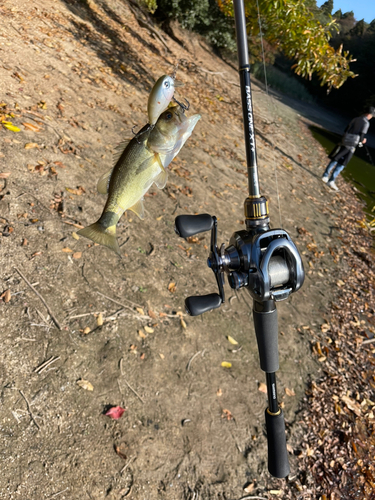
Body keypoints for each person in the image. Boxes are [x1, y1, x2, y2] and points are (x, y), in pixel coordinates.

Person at [322, 107, 375, 191]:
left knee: (336, 158)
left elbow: (346, 129)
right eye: (372, 115)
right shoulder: (366, 123)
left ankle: (325, 175)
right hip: (351, 144)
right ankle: (331, 180)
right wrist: (363, 140)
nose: (371, 117)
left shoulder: (356, 119)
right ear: (369, 114)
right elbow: (361, 136)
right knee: (343, 163)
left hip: (344, 140)